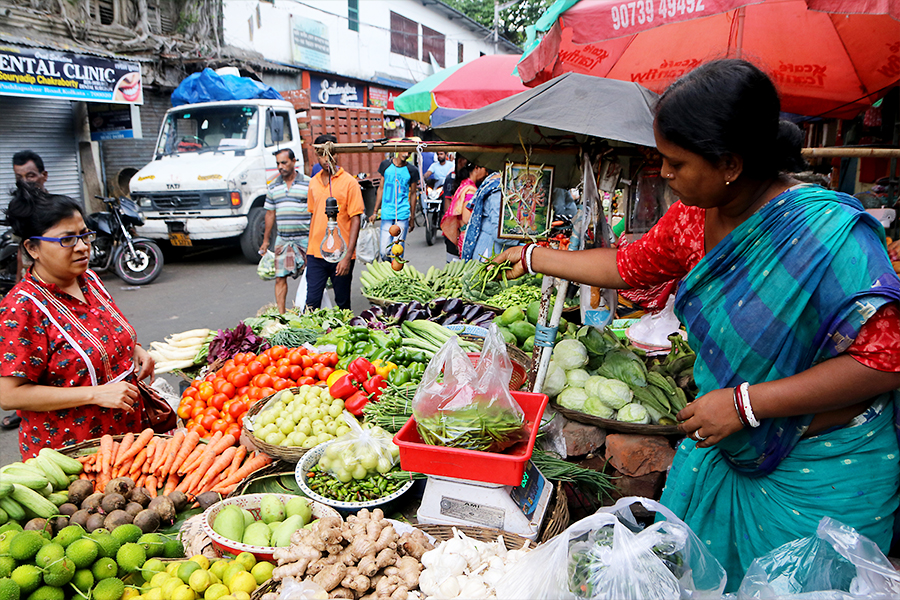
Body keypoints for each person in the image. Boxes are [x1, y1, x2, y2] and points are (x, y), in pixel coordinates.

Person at [494, 59, 900, 590]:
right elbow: (626, 266)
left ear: (729, 162)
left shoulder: (830, 236)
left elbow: (884, 364)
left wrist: (746, 405)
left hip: (821, 473)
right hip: (725, 455)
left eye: (674, 162)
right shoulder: (692, 217)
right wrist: (532, 257)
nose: (664, 174)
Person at [0, 183, 154, 457]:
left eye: (85, 235)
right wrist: (95, 394)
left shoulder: (90, 280)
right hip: (71, 454)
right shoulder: (21, 307)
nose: (83, 247)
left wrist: (134, 349)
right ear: (32, 248)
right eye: (67, 239)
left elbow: (104, 334)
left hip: (128, 440)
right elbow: (10, 395)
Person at [2, 151, 51, 430]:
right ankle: (28, 407)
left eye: (30, 175)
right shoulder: (20, 305)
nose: (26, 182)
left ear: (43, 176)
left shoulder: (89, 280)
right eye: (19, 177)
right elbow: (22, 252)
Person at [306, 134, 365, 310]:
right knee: (312, 302)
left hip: (341, 253)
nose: (327, 158)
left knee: (342, 303)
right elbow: (313, 216)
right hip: (316, 253)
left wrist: (348, 256)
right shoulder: (313, 183)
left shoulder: (349, 183)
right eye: (323, 154)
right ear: (317, 155)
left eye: (331, 153)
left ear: (337, 153)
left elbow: (356, 218)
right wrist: (307, 250)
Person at [259, 148, 310, 314]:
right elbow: (270, 214)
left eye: (284, 162)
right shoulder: (273, 186)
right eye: (278, 164)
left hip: (305, 238)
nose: (280, 167)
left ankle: (309, 311)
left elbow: (316, 212)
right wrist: (266, 241)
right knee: (280, 277)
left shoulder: (308, 183)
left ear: (294, 162)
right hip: (283, 239)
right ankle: (281, 315)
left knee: (311, 277)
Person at [460, 165, 517, 261]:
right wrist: (525, 241)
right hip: (489, 253)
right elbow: (498, 233)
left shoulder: (495, 182)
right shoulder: (498, 190)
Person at [372, 150, 417, 259]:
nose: (406, 154)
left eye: (409, 153)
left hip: (402, 214)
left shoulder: (412, 170)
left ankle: (396, 273)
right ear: (398, 150)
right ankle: (387, 272)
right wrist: (374, 212)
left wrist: (412, 217)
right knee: (384, 251)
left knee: (396, 252)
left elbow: (413, 193)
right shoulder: (386, 165)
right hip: (387, 213)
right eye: (404, 151)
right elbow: (381, 188)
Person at [439, 165, 476, 262]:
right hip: (464, 236)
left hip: (457, 234)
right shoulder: (470, 190)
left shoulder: (463, 186)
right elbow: (467, 218)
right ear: (476, 168)